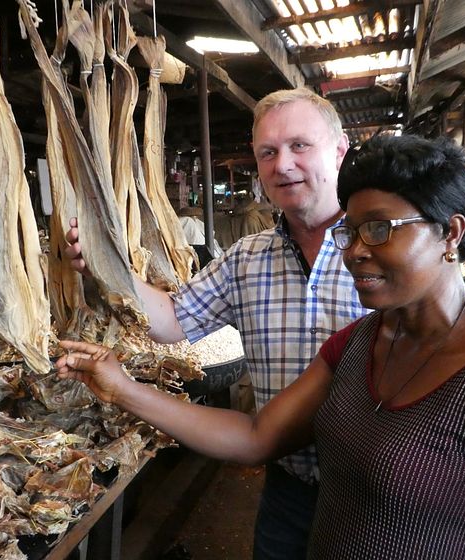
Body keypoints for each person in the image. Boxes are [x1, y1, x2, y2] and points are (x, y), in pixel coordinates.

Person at [59, 134, 465, 559]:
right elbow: (255, 436)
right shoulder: (360, 342)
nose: (356, 251)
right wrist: (121, 387)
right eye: (352, 232)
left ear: (451, 233)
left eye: (380, 229)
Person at [65, 87, 366, 559]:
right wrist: (105, 267)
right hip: (288, 488)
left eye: (299, 146)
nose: (282, 164)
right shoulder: (247, 259)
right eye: (268, 152)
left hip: (376, 492)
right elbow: (171, 321)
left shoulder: (379, 249)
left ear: (340, 149)